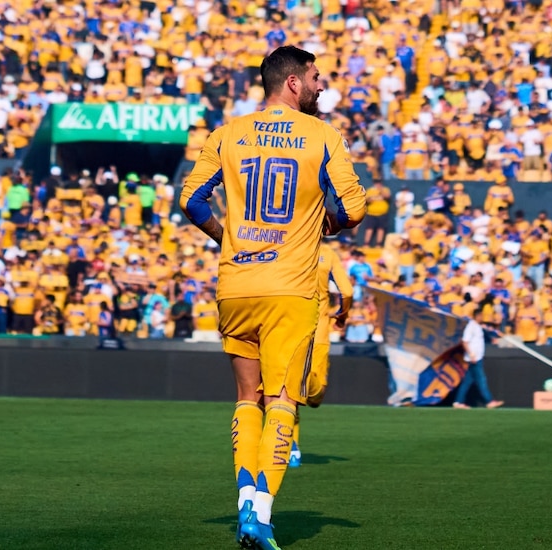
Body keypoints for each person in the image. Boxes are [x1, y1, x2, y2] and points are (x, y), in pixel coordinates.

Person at [179, 46, 366, 550]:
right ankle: (259, 515)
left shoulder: (228, 134)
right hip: (291, 288)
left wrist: (227, 237)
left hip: (236, 285)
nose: (321, 86)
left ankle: (243, 494)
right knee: (284, 401)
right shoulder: (322, 136)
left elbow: (191, 200)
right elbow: (353, 206)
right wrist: (318, 226)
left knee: (246, 398)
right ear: (292, 83)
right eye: (316, 77)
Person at [290, 239, 353, 468]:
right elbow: (346, 291)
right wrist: (343, 316)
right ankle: (291, 446)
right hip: (318, 330)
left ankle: (290, 447)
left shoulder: (289, 246)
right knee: (315, 397)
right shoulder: (327, 253)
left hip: (288, 328)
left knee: (288, 390)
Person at [453, 312, 505, 409]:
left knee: (467, 381)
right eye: (480, 316)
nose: (481, 318)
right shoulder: (471, 326)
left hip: (477, 357)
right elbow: (465, 341)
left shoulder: (478, 326)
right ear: (476, 316)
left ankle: (458, 401)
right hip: (474, 358)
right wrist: (471, 354)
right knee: (481, 380)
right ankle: (489, 401)